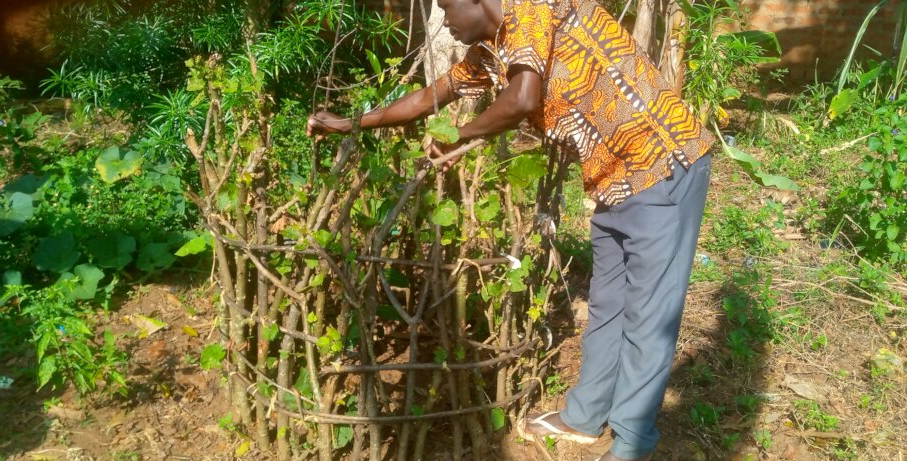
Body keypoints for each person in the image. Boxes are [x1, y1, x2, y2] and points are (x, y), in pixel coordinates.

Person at [306, 0, 715, 458]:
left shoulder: (532, 9)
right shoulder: (494, 50)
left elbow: (523, 100)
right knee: (608, 305)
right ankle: (585, 415)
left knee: (648, 316)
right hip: (613, 180)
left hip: (663, 165)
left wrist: (460, 135)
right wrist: (349, 123)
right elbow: (429, 97)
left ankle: (634, 442)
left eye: (446, 8)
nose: (445, 22)